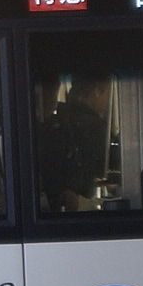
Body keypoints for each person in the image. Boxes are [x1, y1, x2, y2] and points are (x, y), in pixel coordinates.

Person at [41, 77, 111, 212]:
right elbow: (103, 167)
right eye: (108, 93)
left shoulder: (55, 122)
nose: (107, 101)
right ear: (97, 92)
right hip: (81, 204)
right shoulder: (97, 127)